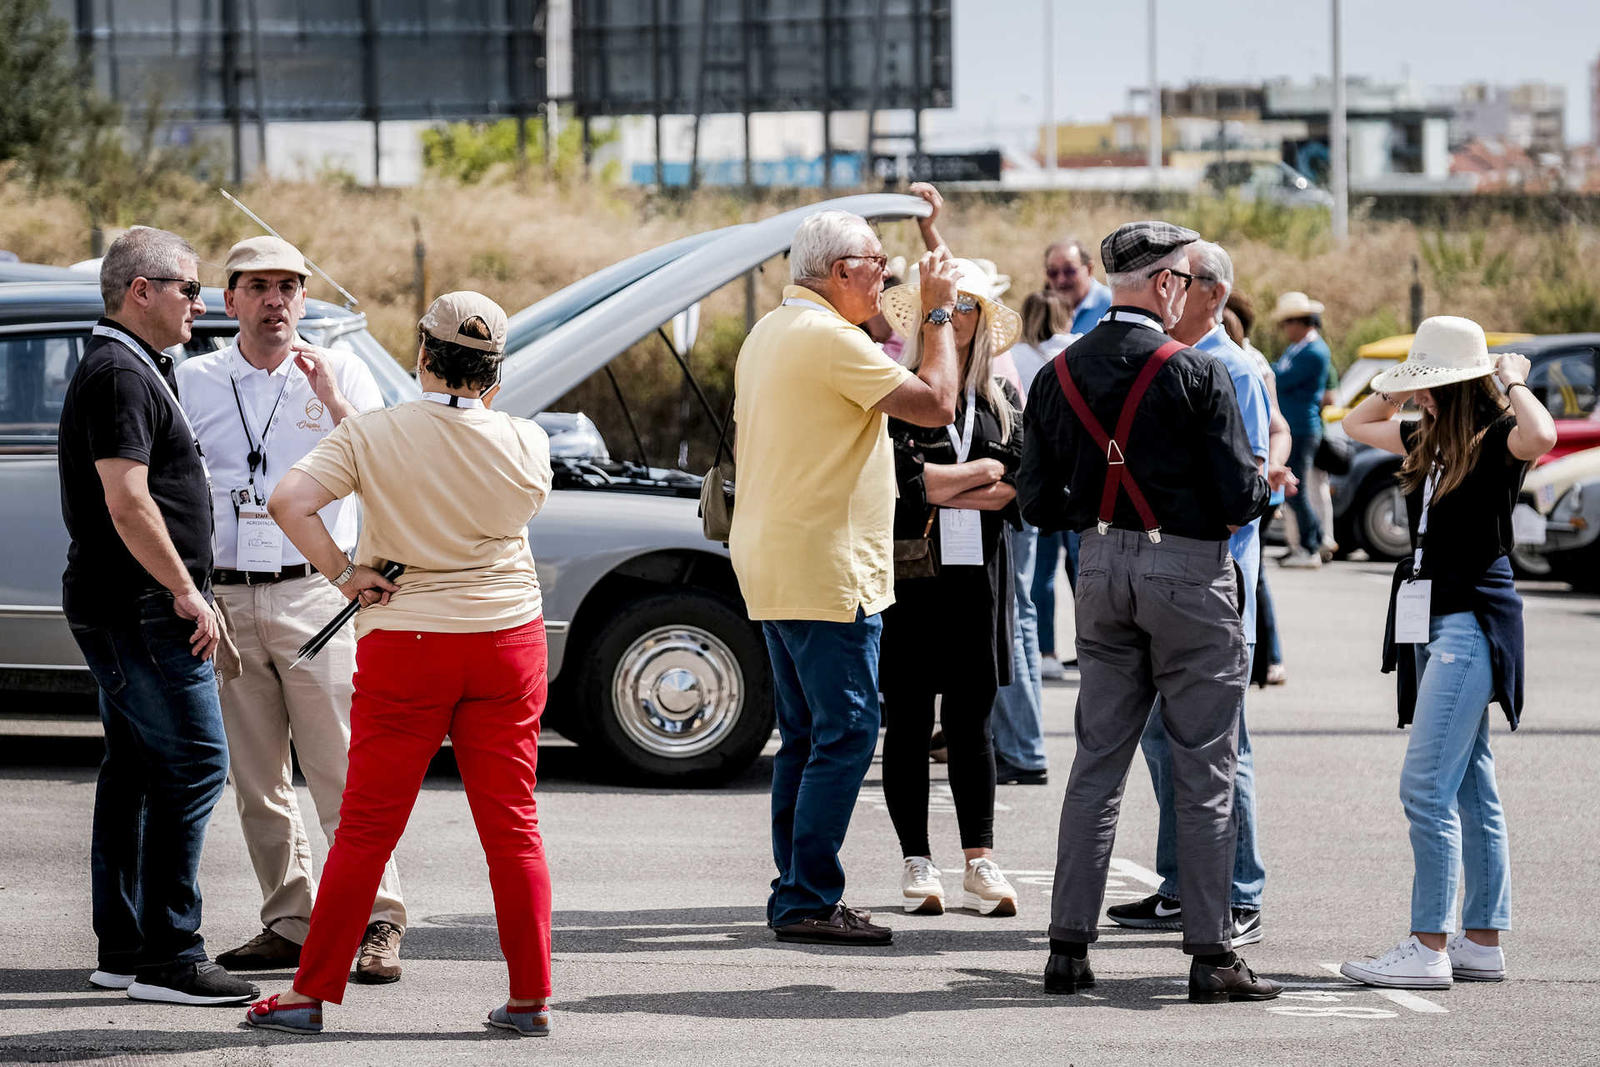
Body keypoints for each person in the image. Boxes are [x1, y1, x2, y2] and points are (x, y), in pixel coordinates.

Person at [245, 292, 556, 1035]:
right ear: (496, 374)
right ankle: (530, 998)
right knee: (514, 826)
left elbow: (290, 500)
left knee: (366, 828)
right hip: (509, 638)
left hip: (408, 641)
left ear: (421, 355)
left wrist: (345, 573)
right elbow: (458, 466)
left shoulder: (376, 435)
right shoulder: (527, 440)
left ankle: (307, 994)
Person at [1018, 220, 1280, 1003]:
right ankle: (1210, 953)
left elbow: (1034, 500)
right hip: (1190, 572)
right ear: (1167, 283)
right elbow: (1241, 495)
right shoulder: (1196, 373)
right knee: (1204, 765)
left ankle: (1067, 947)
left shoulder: (1056, 374)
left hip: (1099, 568)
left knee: (1097, 762)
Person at [728, 211, 962, 947]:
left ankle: (795, 888)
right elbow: (937, 404)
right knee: (850, 728)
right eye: (876, 262)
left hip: (778, 556)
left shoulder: (771, 330)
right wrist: (938, 312)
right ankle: (805, 893)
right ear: (840, 272)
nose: (886, 272)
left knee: (806, 733)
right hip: (827, 563)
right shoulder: (829, 338)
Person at [175, 236, 405, 982]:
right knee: (258, 779)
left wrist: (334, 401)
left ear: (304, 299)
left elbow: (384, 473)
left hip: (316, 588)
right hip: (230, 594)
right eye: (259, 286)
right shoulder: (195, 378)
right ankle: (291, 919)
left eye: (288, 287)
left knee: (342, 767)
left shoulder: (342, 373)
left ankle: (377, 919)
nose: (275, 300)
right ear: (231, 297)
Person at [56, 227, 259, 1006]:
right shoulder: (118, 372)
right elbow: (127, 498)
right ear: (141, 290)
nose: (200, 304)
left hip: (128, 602)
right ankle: (171, 956)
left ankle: (128, 946)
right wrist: (186, 589)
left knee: (139, 767)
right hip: (140, 606)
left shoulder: (133, 365)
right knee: (197, 763)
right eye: (189, 288)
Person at [1338, 316, 1554, 990]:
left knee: (1425, 786)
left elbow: (1543, 434)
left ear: (1461, 385)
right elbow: (1355, 422)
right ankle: (1481, 940)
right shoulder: (1431, 443)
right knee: (1469, 782)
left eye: (1433, 384)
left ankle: (1429, 943)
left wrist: (1510, 380)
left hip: (1470, 623)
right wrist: (1406, 384)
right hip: (1437, 621)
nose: (1422, 396)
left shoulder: (1496, 440)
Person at [1108, 241, 1295, 947]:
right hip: (1182, 574)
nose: (1172, 293)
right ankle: (1184, 883)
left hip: (1218, 574)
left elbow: (1244, 485)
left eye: (1183, 281)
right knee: (1165, 737)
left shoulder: (1230, 366)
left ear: (1211, 291)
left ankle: (1237, 891)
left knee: (1220, 744)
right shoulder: (1182, 362)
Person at [876, 260, 1026, 915]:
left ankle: (979, 859)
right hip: (911, 580)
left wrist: (955, 476)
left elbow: (1021, 486)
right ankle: (917, 861)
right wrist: (980, 472)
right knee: (908, 722)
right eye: (951, 306)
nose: (960, 319)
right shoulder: (904, 391)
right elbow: (902, 486)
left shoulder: (1002, 401)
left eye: (972, 308)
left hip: (981, 583)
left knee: (973, 723)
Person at [987, 289, 1073, 785]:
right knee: (1023, 610)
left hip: (1016, 492)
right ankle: (1025, 741)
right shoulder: (1070, 349)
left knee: (1013, 613)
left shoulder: (1006, 357)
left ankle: (1023, 744)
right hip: (1051, 486)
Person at [1035, 238, 1112, 680]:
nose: (1061, 280)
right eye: (1053, 273)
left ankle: (1093, 649)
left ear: (1089, 269)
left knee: (1087, 566)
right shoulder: (1051, 318)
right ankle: (1049, 651)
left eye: (1069, 271)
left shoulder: (1109, 312)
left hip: (1092, 469)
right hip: (1057, 470)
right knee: (1049, 569)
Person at [1270, 291, 1332, 569]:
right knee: (1295, 490)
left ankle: (1310, 546)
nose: (1286, 329)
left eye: (1288, 323)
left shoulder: (1314, 352)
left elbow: (1282, 378)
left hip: (1302, 428)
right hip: (1295, 426)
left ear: (1301, 322)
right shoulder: (1299, 349)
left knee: (1296, 491)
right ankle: (1314, 540)